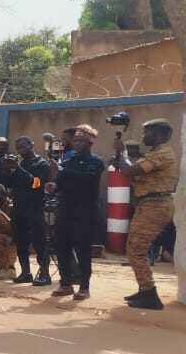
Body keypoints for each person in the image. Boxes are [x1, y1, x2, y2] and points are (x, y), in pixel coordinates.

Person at [112, 118, 177, 310]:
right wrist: (120, 160)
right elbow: (129, 173)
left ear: (161, 134)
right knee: (134, 248)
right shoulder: (153, 154)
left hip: (156, 204)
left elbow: (131, 170)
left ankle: (149, 294)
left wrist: (122, 152)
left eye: (147, 132)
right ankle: (145, 290)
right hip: (149, 204)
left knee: (136, 249)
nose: (143, 136)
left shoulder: (163, 153)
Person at [46, 124, 103, 300]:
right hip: (65, 210)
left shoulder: (96, 162)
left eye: (81, 141)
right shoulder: (68, 161)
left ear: (90, 142)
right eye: (75, 140)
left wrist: (63, 170)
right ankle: (66, 284)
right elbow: (60, 185)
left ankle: (84, 287)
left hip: (84, 213)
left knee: (83, 250)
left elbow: (89, 178)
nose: (77, 143)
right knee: (62, 247)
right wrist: (53, 186)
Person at [3, 136, 52, 286]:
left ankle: (44, 274)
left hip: (34, 208)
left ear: (31, 146)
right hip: (19, 208)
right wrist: (6, 169)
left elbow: (35, 183)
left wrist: (18, 168)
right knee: (21, 242)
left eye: (23, 147)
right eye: (18, 148)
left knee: (39, 242)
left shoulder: (42, 164)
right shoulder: (21, 163)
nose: (20, 151)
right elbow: (9, 184)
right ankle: (26, 272)